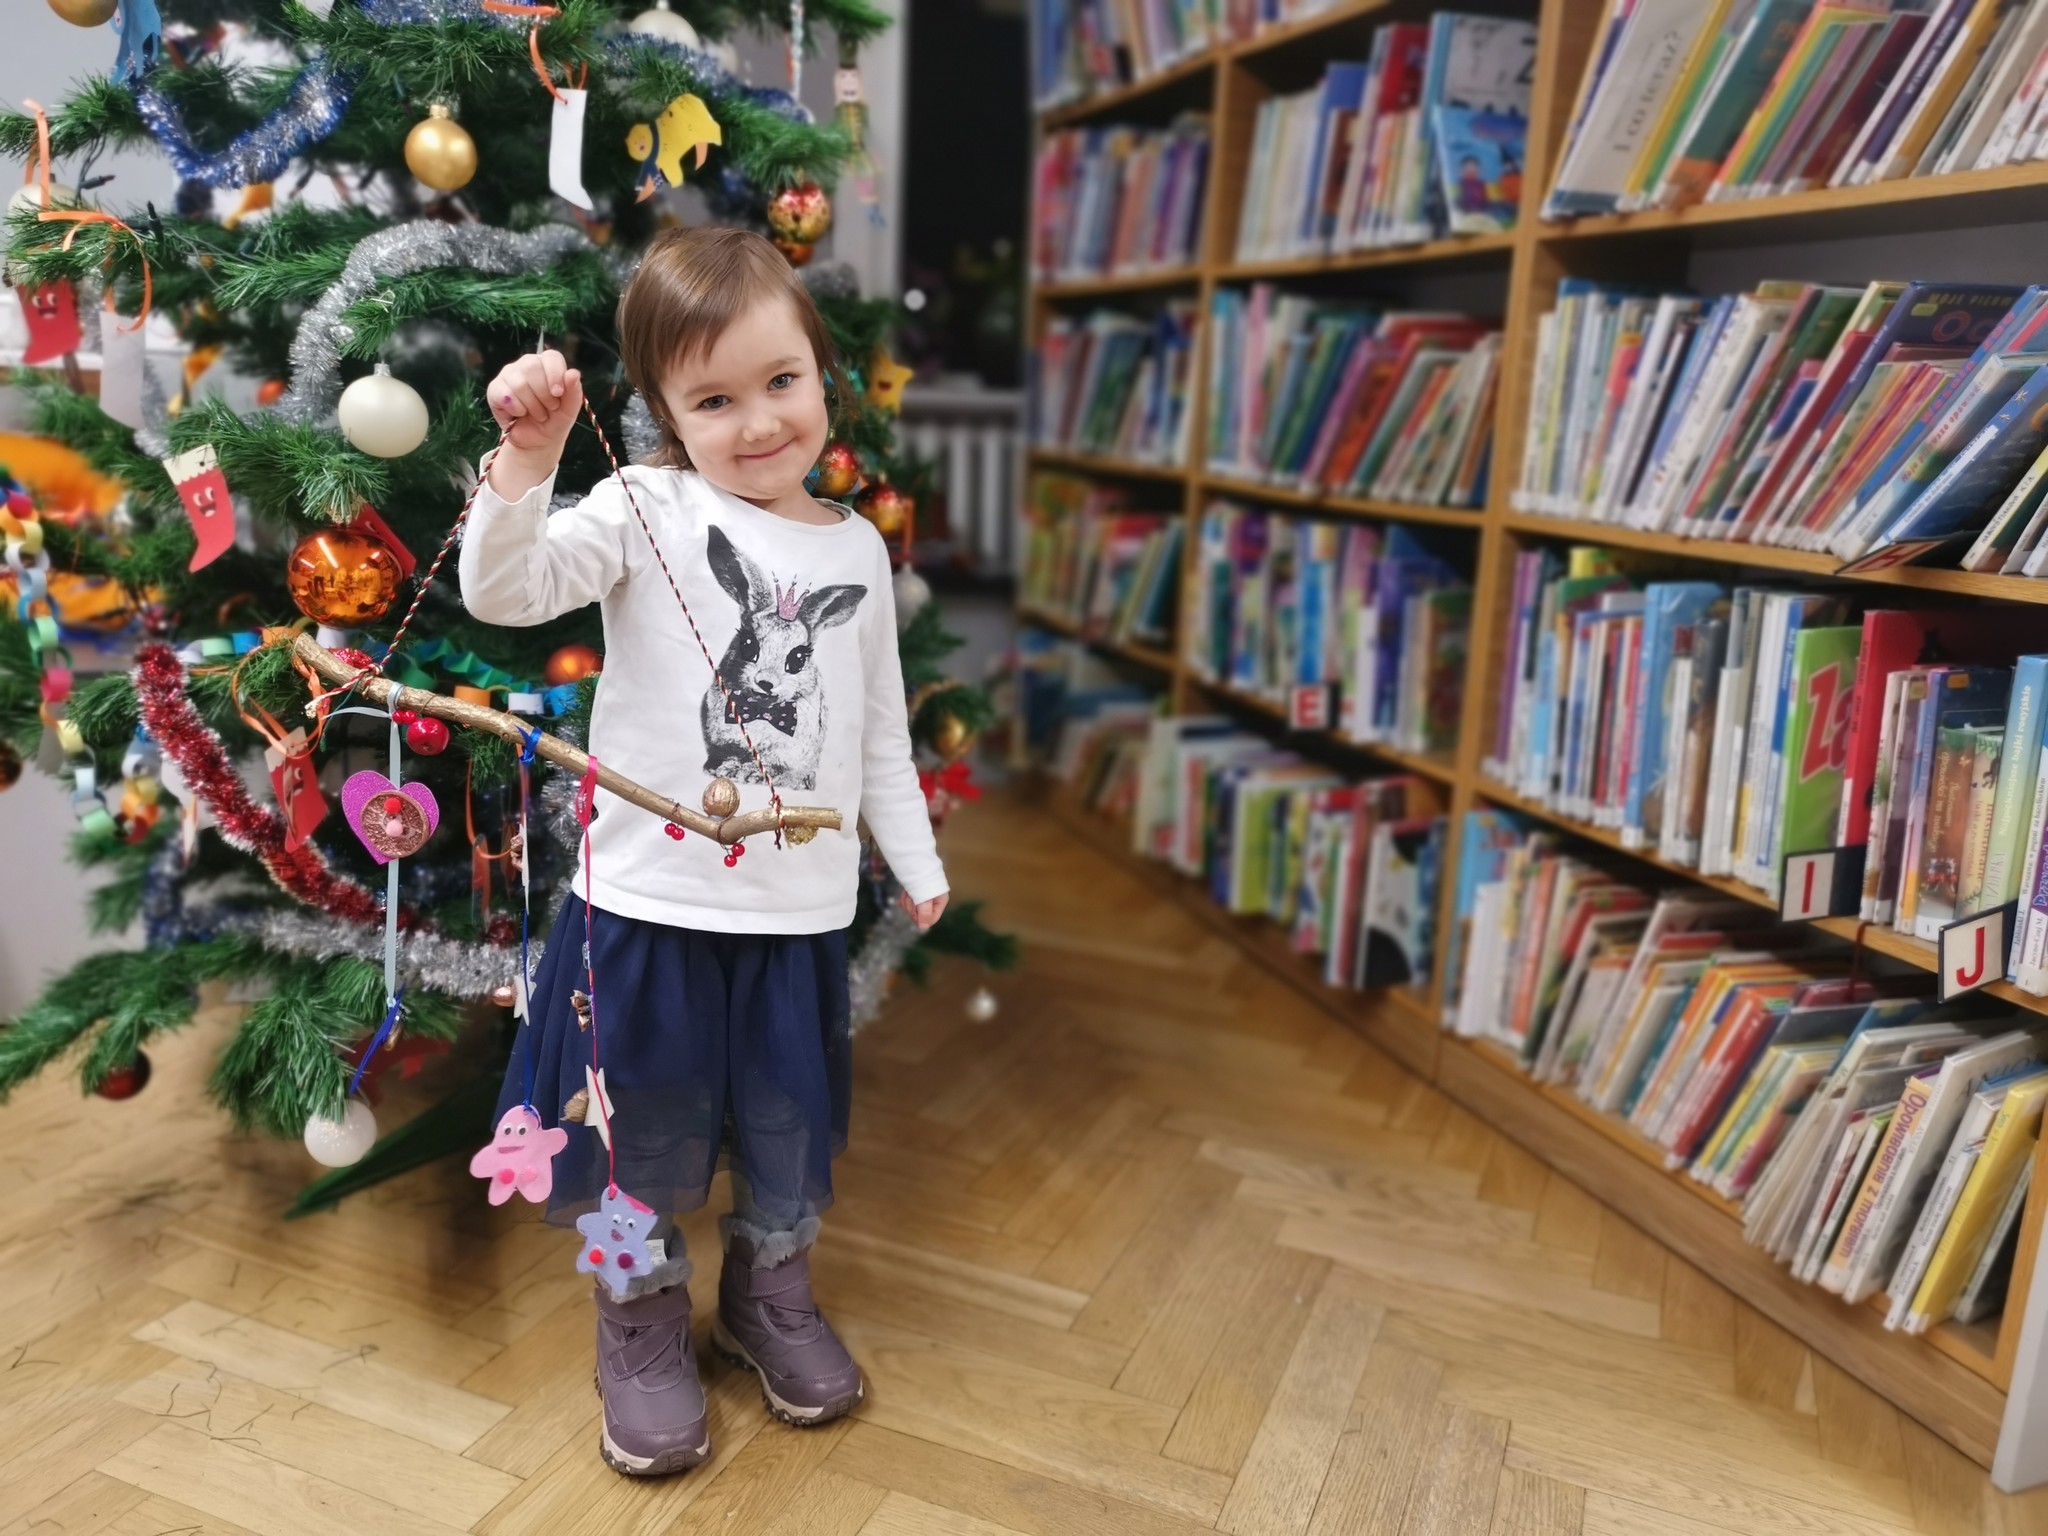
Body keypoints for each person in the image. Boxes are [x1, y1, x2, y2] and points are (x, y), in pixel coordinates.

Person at [460, 226, 948, 1477]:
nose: (756, 422)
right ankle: (637, 1320)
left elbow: (881, 731)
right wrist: (527, 457)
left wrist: (913, 856)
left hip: (792, 916)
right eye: (712, 400)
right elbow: (503, 594)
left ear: (821, 373)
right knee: (637, 1128)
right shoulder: (641, 506)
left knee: (785, 1122)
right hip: (643, 906)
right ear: (665, 412)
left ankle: (766, 1292)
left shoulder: (852, 551)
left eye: (779, 382)